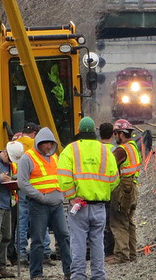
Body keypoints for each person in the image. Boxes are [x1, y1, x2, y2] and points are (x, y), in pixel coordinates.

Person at [58, 117, 118, 280]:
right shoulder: (106, 150)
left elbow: (63, 177)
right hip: (99, 206)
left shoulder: (71, 149)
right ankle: (98, 275)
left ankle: (78, 276)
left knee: (78, 242)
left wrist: (71, 197)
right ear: (94, 131)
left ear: (79, 130)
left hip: (79, 206)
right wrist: (102, 191)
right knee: (97, 242)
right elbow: (114, 178)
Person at [16, 127, 72, 280]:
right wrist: (41, 197)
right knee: (38, 240)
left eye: (50, 143)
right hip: (39, 205)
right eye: (45, 143)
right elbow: (22, 183)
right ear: (39, 143)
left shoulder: (54, 157)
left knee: (65, 236)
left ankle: (69, 271)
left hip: (57, 205)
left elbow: (59, 178)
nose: (48, 146)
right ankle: (36, 274)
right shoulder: (28, 158)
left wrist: (61, 195)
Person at [12, 123, 51, 266]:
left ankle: (21, 254)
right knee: (42, 220)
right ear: (35, 134)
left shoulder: (13, 143)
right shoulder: (35, 145)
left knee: (22, 221)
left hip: (20, 185)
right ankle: (45, 253)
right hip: (36, 186)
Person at [0, 141, 24, 278]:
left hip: (7, 205)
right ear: (5, 152)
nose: (10, 161)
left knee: (6, 237)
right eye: (9, 158)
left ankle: (1, 266)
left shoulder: (12, 164)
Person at [106, 119, 142, 264]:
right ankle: (132, 253)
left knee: (118, 221)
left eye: (116, 133)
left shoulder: (121, 150)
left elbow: (109, 166)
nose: (115, 137)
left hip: (122, 188)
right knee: (129, 221)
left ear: (121, 133)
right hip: (132, 186)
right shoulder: (133, 147)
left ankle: (121, 255)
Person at [98, 122, 115, 257]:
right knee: (110, 222)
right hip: (110, 191)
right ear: (113, 134)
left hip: (96, 191)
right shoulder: (115, 150)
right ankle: (109, 249)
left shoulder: (96, 149)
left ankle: (99, 249)